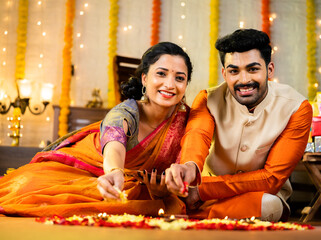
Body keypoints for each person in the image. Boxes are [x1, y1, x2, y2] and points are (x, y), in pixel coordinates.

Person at [0, 42, 192, 217]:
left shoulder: (188, 121)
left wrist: (164, 189)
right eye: (161, 73)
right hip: (85, 169)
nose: (169, 84)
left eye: (179, 78)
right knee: (30, 186)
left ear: (185, 85)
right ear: (144, 78)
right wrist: (114, 171)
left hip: (136, 184)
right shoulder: (126, 112)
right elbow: (114, 143)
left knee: (151, 200)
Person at [165, 29, 312, 222]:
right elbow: (197, 135)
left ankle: (189, 216)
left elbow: (271, 179)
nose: (244, 80)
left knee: (270, 205)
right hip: (203, 197)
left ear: (269, 70)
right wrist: (189, 169)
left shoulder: (296, 108)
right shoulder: (208, 99)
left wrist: (202, 190)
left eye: (253, 69)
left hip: (253, 195)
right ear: (225, 74)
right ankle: (197, 213)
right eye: (234, 71)